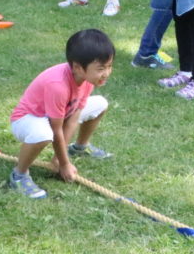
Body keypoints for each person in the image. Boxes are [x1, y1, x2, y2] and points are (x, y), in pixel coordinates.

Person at [7, 28, 114, 199]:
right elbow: (55, 129)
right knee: (44, 134)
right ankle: (19, 175)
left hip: (58, 116)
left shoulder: (88, 79)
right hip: (27, 120)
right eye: (101, 68)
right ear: (77, 67)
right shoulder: (58, 85)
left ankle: (79, 147)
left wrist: (59, 158)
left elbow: (73, 119)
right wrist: (64, 164)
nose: (106, 73)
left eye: (109, 66)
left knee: (100, 104)